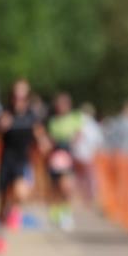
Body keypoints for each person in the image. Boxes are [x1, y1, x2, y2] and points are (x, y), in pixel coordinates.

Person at [0, 79, 51, 254]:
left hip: (22, 160)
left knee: (21, 192)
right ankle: (0, 238)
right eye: (16, 96)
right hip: (6, 161)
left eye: (23, 96)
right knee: (2, 203)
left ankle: (16, 210)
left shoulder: (32, 116)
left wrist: (44, 142)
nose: (19, 99)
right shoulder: (5, 113)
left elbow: (41, 135)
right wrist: (2, 125)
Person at [45, 92, 83, 230]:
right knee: (56, 186)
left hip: (68, 157)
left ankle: (66, 213)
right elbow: (49, 139)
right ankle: (56, 212)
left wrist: (72, 140)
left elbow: (79, 135)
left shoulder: (75, 119)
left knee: (67, 186)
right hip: (55, 157)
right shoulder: (52, 121)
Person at [71, 102, 104, 204]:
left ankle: (81, 196)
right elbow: (98, 141)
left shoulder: (78, 122)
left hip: (79, 154)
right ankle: (88, 197)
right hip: (87, 155)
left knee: (79, 177)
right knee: (88, 177)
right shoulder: (92, 125)